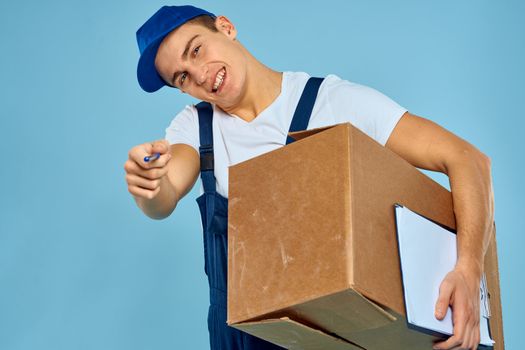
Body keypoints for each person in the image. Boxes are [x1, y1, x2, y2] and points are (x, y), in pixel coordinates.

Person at [124, 5, 494, 350]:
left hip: (328, 336)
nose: (200, 75)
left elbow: (467, 159)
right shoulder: (194, 126)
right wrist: (150, 185)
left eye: (197, 50)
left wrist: (468, 268)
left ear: (226, 27)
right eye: (182, 77)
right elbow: (168, 191)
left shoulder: (332, 103)